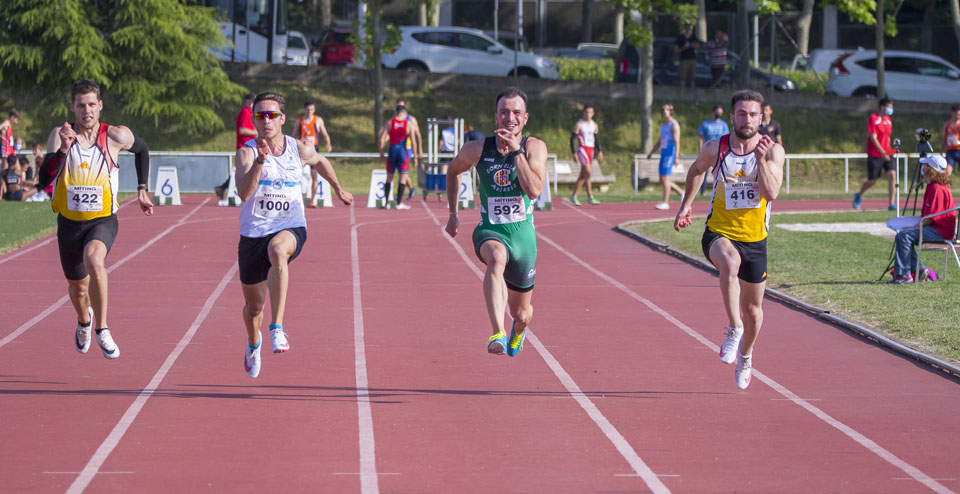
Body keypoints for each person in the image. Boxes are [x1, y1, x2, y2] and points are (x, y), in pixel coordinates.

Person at [235, 91, 353, 378]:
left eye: (271, 115)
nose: (266, 121)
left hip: (290, 226)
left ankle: (277, 328)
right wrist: (261, 162)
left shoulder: (298, 148)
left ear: (282, 119)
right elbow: (243, 193)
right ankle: (254, 343)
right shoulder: (247, 153)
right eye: (260, 115)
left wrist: (338, 188)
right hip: (253, 234)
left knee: (278, 251)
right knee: (253, 309)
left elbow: (321, 161)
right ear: (254, 119)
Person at [673, 90, 785, 390]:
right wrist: (685, 206)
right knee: (729, 263)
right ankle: (734, 328)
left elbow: (772, 192)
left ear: (761, 118)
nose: (747, 120)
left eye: (752, 115)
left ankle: (746, 355)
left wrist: (760, 160)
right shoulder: (716, 148)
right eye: (741, 114)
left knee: (755, 312)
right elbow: (696, 170)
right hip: (719, 232)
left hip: (755, 240)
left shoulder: (773, 151)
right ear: (732, 117)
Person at [36, 79, 155, 359]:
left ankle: (102, 328)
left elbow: (143, 150)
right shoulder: (60, 135)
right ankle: (84, 321)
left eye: (91, 104)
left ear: (100, 106)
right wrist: (63, 150)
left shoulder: (115, 136)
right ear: (72, 107)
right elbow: (43, 181)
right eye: (81, 105)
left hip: (102, 220)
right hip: (69, 224)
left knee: (95, 260)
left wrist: (141, 189)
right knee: (78, 291)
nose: (86, 110)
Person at [445, 87, 547, 357]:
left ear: (525, 118)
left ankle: (518, 328)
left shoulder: (534, 147)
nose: (509, 117)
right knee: (496, 258)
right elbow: (453, 171)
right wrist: (453, 212)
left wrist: (516, 153)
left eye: (516, 112)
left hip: (523, 237)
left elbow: (535, 190)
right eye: (504, 112)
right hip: (490, 230)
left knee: (522, 312)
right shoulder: (477, 149)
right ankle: (497, 333)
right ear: (496, 117)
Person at [887, 154, 956, 284]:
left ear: (931, 169)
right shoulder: (933, 186)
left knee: (904, 236)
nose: (923, 168)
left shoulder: (937, 188)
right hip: (936, 228)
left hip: (940, 231)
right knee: (903, 235)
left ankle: (904, 275)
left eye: (925, 166)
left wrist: (914, 227)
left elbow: (932, 217)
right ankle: (919, 271)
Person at [853, 98, 897, 211]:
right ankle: (859, 195)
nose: (890, 109)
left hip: (887, 152)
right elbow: (873, 137)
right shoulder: (874, 118)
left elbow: (887, 137)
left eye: (892, 107)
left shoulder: (889, 120)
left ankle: (891, 204)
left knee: (892, 175)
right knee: (872, 180)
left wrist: (891, 151)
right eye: (888, 106)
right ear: (882, 107)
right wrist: (882, 152)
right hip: (875, 154)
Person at [377, 100, 421, 209]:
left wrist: (381, 153)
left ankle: (387, 203)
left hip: (392, 151)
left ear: (396, 112)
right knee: (402, 177)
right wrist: (415, 157)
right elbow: (414, 142)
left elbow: (381, 139)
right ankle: (398, 203)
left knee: (389, 177)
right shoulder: (409, 124)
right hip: (403, 151)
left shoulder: (390, 122)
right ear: (404, 112)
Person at [215, 93, 257, 202]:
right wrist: (256, 132)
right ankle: (230, 190)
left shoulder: (250, 113)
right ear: (248, 101)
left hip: (249, 147)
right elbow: (242, 130)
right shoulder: (245, 112)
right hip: (244, 147)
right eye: (253, 101)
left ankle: (222, 188)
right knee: (244, 171)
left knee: (243, 170)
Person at [293, 100, 333, 207]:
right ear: (304, 109)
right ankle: (298, 199)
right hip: (301, 152)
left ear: (314, 110)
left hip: (314, 152)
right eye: (308, 109)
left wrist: (328, 143)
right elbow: (293, 135)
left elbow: (324, 133)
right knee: (297, 175)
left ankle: (312, 201)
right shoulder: (299, 121)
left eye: (312, 109)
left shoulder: (318, 120)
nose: (310, 111)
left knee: (314, 176)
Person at [646, 104, 685, 210]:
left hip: (670, 155)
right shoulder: (663, 125)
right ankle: (682, 193)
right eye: (663, 110)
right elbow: (659, 141)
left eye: (667, 110)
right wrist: (651, 152)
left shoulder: (674, 125)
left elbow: (677, 141)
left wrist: (676, 157)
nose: (664, 111)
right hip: (663, 154)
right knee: (662, 180)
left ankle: (665, 202)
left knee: (666, 179)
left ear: (671, 111)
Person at [570, 104, 604, 206]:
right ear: (583, 112)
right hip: (582, 149)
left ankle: (574, 196)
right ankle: (590, 196)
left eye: (590, 112)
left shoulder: (594, 125)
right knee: (588, 173)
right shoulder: (579, 124)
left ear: (593, 113)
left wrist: (600, 151)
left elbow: (596, 139)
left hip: (591, 150)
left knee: (583, 175)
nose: (588, 114)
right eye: (586, 112)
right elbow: (572, 140)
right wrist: (574, 153)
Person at [675, 24, 699, 89]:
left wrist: (692, 46)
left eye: (689, 28)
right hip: (684, 60)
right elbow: (676, 50)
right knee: (683, 78)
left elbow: (697, 47)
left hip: (692, 59)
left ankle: (692, 94)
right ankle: (683, 94)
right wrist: (684, 47)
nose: (688, 29)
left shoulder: (693, 37)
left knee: (692, 78)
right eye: (687, 27)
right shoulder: (680, 37)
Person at [941, 104, 960, 176]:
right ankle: (945, 187)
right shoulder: (947, 125)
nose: (959, 116)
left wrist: (958, 143)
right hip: (950, 152)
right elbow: (944, 139)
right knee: (946, 173)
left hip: (959, 150)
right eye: (957, 114)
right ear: (953, 113)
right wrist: (942, 151)